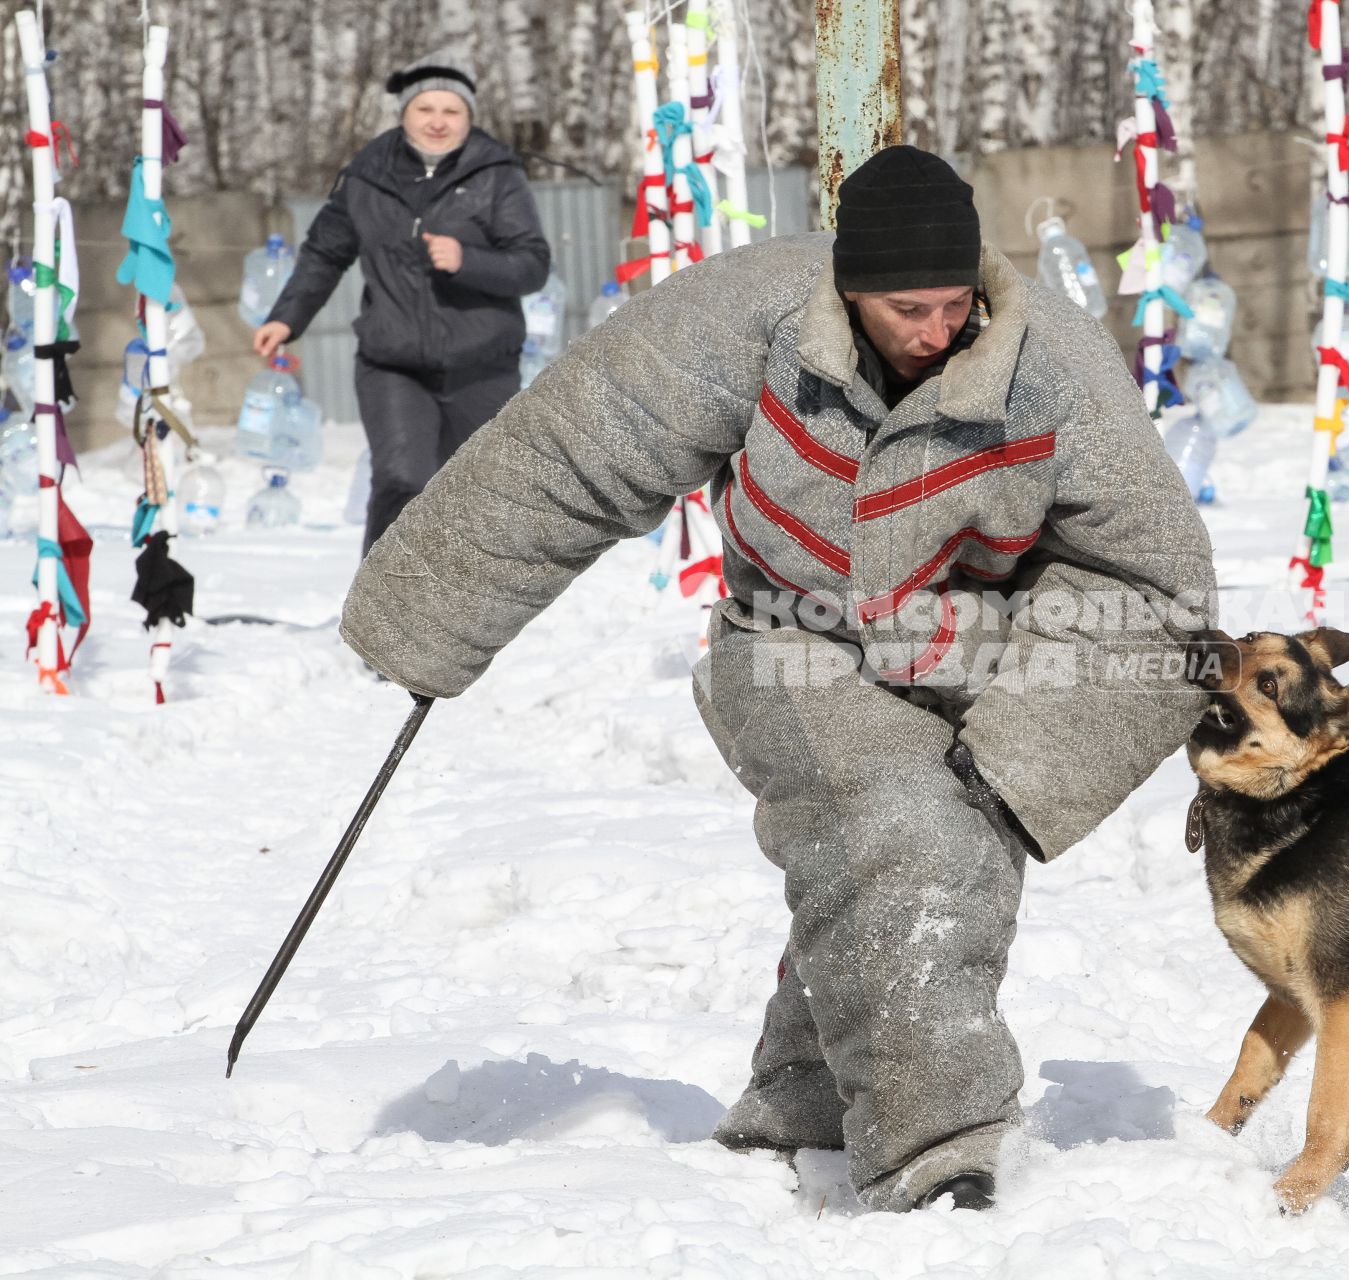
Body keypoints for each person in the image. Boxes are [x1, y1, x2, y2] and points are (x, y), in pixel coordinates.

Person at [341, 146, 1216, 1212]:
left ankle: (806, 1100)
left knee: (919, 850)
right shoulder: (751, 313)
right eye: (907, 309)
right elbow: (578, 448)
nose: (937, 332)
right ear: (849, 291)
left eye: (953, 305)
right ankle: (941, 1151)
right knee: (901, 830)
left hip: (972, 648)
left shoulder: (1054, 365)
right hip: (787, 638)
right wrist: (431, 618)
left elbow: (1152, 578)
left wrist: (1033, 746)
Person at [251, 51, 551, 554]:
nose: (438, 122)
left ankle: (465, 611)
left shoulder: (497, 174)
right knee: (401, 478)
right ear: (405, 112)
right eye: (425, 109)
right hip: (393, 364)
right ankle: (381, 613)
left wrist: (467, 259)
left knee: (478, 492)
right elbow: (326, 251)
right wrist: (286, 317)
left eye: (451, 111)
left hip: (483, 366)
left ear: (469, 116)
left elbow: (532, 264)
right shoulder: (367, 175)